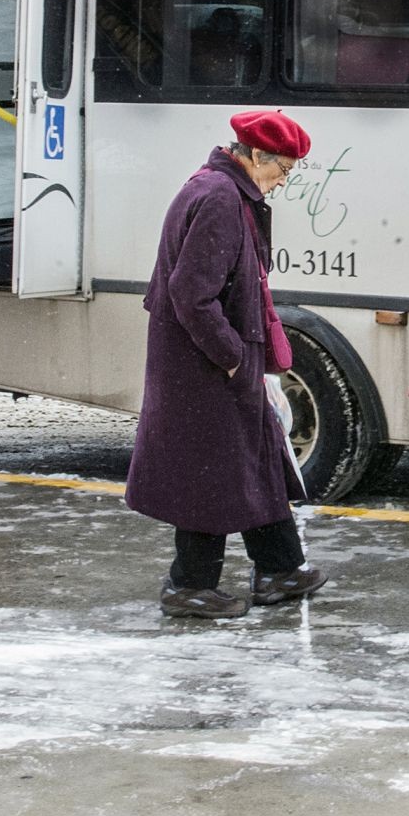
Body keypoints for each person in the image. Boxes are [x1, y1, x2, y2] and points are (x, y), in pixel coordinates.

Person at [125, 109, 328, 618]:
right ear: (256, 155)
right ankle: (189, 585)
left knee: (252, 457)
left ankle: (280, 568)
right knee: (212, 471)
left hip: (212, 360)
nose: (284, 182)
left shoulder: (222, 190)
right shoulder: (219, 197)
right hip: (206, 365)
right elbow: (192, 294)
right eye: (283, 170)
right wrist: (234, 357)